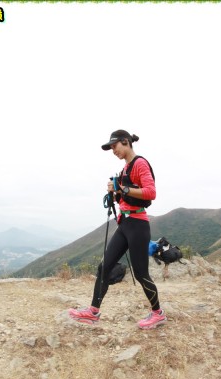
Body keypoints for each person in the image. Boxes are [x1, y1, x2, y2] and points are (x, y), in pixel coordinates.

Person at [68, 130, 166, 329]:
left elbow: (151, 192)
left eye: (115, 146)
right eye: (111, 148)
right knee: (104, 267)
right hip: (125, 224)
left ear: (125, 142)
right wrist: (114, 194)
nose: (114, 151)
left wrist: (123, 189)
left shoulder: (140, 163)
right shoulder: (125, 169)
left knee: (141, 274)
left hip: (138, 225)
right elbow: (125, 197)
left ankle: (158, 313)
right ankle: (93, 312)